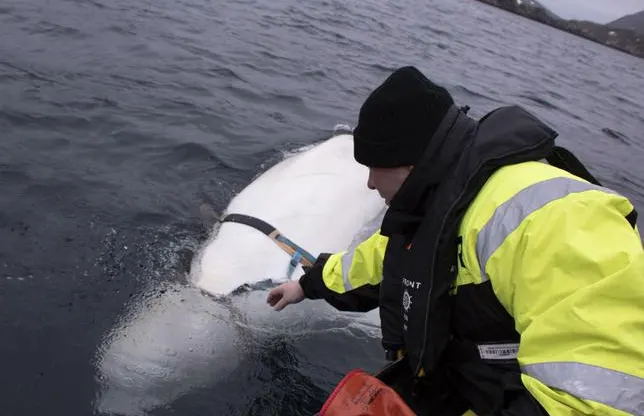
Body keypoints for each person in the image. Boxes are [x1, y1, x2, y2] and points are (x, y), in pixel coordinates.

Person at [266, 66, 644, 415]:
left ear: (407, 164)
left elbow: (593, 400)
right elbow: (390, 260)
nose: (368, 183)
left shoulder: (555, 219)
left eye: (373, 168)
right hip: (458, 386)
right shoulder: (444, 200)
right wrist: (307, 285)